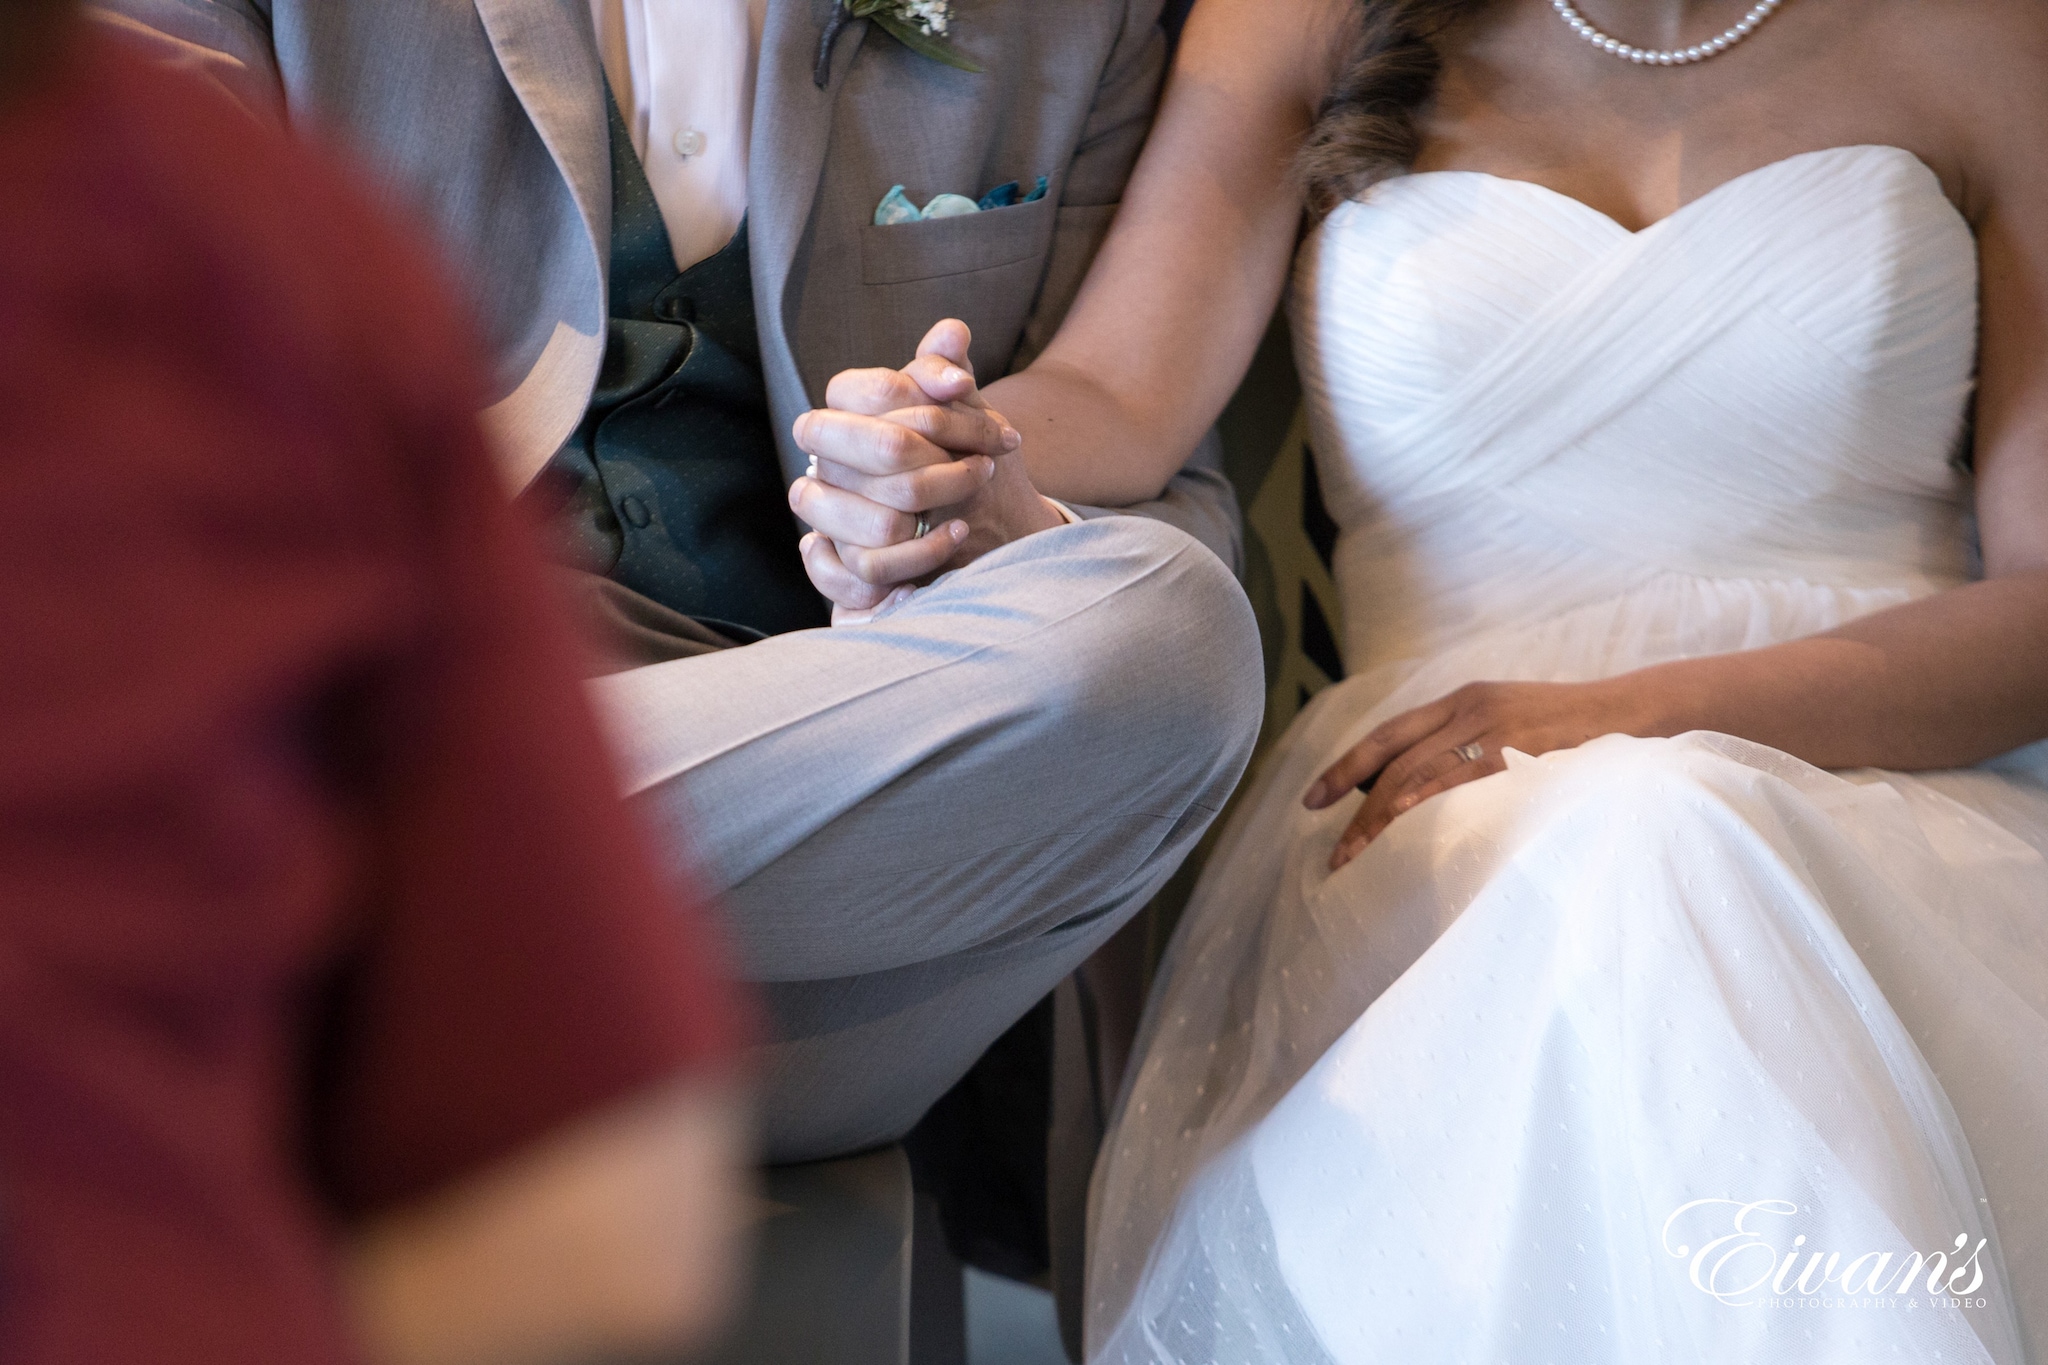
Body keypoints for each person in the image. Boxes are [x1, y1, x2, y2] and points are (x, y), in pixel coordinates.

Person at [792, 0, 2048, 1358]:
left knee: (1653, 828)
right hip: (1428, 807)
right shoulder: (1304, 20)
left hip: (1882, 789)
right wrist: (945, 447)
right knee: (1639, 848)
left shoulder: (1983, 33)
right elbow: (1123, 391)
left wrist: (1620, 717)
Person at [91, 0, 1267, 1164]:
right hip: (403, 685)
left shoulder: (1082, 19)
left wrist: (983, 516)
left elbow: (1155, 499)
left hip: (827, 889)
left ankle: (358, 885)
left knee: (1172, 636)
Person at [0, 11, 752, 1363]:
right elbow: (615, 1222)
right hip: (538, 829)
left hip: (797, 654)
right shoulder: (246, 254)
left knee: (1136, 640)